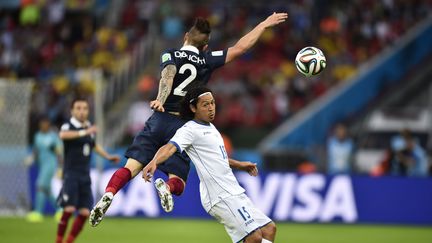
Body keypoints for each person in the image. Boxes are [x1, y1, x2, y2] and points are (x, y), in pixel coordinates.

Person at [90, 12, 288, 227]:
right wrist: (263, 25)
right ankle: (167, 187)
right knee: (179, 180)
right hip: (183, 126)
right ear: (205, 46)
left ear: (186, 36)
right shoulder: (206, 59)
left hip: (159, 118)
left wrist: (160, 99)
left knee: (131, 167)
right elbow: (240, 48)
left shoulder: (170, 53)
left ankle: (109, 193)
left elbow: (169, 74)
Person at [142, 87, 277, 243]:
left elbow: (218, 158)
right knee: (254, 238)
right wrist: (154, 162)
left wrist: (240, 165)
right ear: (193, 108)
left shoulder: (211, 128)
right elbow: (170, 147)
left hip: (233, 191)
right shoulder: (189, 129)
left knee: (269, 229)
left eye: (212, 103)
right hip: (219, 195)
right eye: (205, 104)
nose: (211, 108)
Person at [56, 98, 121, 243]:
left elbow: (93, 145)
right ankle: (58, 240)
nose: (81, 111)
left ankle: (69, 241)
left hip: (85, 176)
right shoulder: (69, 126)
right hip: (70, 175)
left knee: (85, 212)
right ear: (72, 111)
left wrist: (108, 156)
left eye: (84, 108)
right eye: (78, 108)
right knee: (69, 209)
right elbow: (63, 135)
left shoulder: (88, 128)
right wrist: (84, 132)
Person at [26, 116, 63, 223]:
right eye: (42, 123)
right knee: (46, 190)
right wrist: (31, 159)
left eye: (45, 123)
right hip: (41, 165)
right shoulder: (37, 136)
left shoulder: (53, 137)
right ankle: (60, 210)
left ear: (49, 124)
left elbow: (59, 152)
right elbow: (36, 151)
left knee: (40, 185)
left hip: (50, 165)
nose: (44, 125)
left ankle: (38, 213)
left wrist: (60, 167)